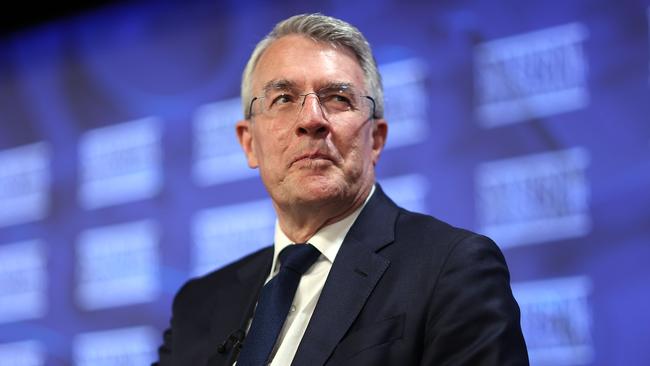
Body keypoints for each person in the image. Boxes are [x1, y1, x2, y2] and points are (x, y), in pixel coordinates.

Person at [155, 13, 528, 366]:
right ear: (249, 142)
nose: (312, 119)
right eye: (283, 99)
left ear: (376, 139)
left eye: (338, 98)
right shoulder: (199, 304)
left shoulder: (453, 269)